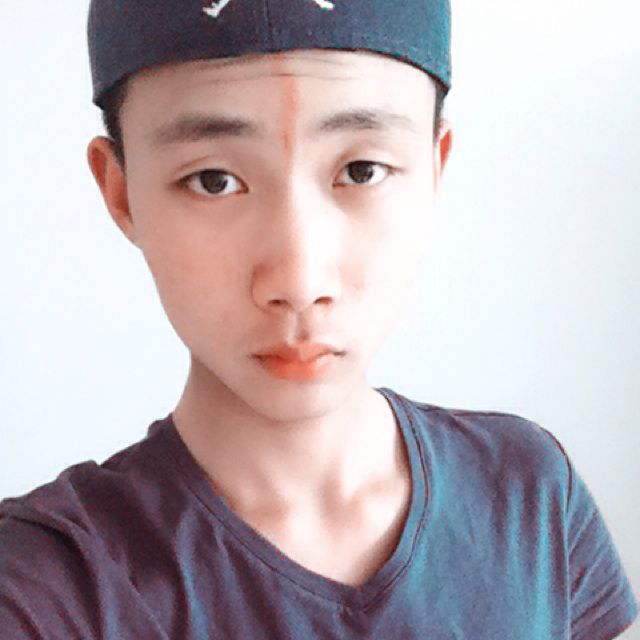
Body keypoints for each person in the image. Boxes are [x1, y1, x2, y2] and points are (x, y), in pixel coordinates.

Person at [0, 0, 637, 638]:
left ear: (435, 169)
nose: (300, 283)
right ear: (121, 193)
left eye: (362, 171)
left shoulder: (528, 494)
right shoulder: (47, 586)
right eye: (213, 180)